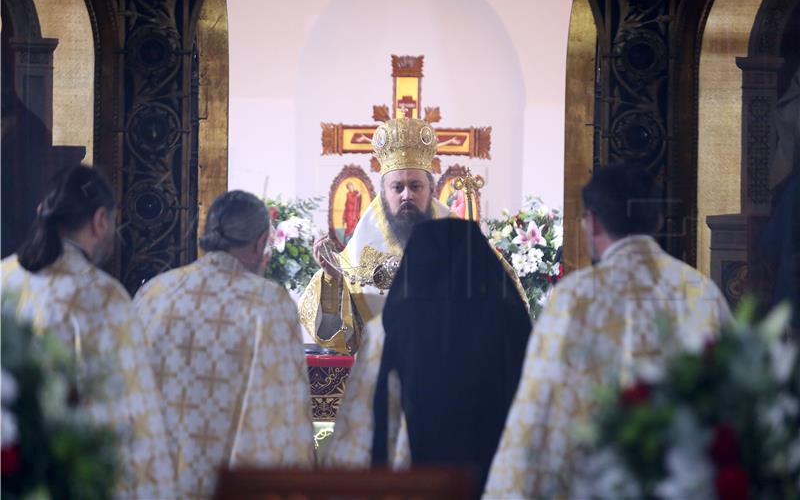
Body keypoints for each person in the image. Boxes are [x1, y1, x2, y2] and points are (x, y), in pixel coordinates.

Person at [483, 162, 733, 499]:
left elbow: (538, 408)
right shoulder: (701, 291)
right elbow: (732, 396)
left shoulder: (573, 297)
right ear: (658, 221)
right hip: (684, 483)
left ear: (593, 222)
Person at [1, 165, 175, 498]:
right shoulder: (102, 296)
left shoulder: (3, 278)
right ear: (100, 221)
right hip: (69, 479)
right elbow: (133, 416)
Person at [324, 219, 531, 498]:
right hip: (497, 483)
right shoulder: (511, 325)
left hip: (415, 485)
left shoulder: (387, 329)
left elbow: (361, 429)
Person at [133, 190, 315, 498]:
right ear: (260, 244)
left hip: (156, 482)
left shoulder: (154, 294)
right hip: (229, 487)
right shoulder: (268, 303)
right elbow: (283, 417)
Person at [299, 116, 451, 354]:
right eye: (397, 187)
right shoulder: (361, 245)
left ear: (430, 189)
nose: (406, 195)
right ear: (384, 192)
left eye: (415, 186)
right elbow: (338, 338)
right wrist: (333, 280)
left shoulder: (463, 241)